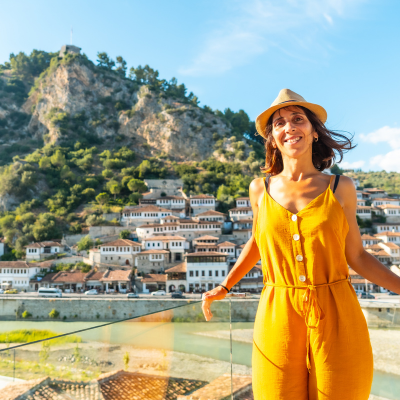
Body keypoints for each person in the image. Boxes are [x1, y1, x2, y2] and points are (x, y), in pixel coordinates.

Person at [201, 88, 400, 399]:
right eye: (279, 123)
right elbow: (258, 242)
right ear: (272, 139)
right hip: (277, 315)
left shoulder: (340, 187)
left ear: (314, 131)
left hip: (338, 312)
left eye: (298, 119)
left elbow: (358, 256)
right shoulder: (259, 189)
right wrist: (225, 286)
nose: (289, 127)